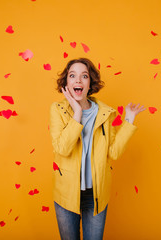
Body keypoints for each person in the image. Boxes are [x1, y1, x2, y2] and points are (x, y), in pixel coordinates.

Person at [49, 58, 145, 240]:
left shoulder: (104, 113)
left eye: (84, 76)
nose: (78, 80)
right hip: (66, 195)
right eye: (72, 75)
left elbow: (113, 152)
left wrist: (129, 119)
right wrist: (77, 114)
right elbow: (62, 148)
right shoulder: (57, 110)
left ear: (90, 82)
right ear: (66, 83)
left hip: (96, 196)